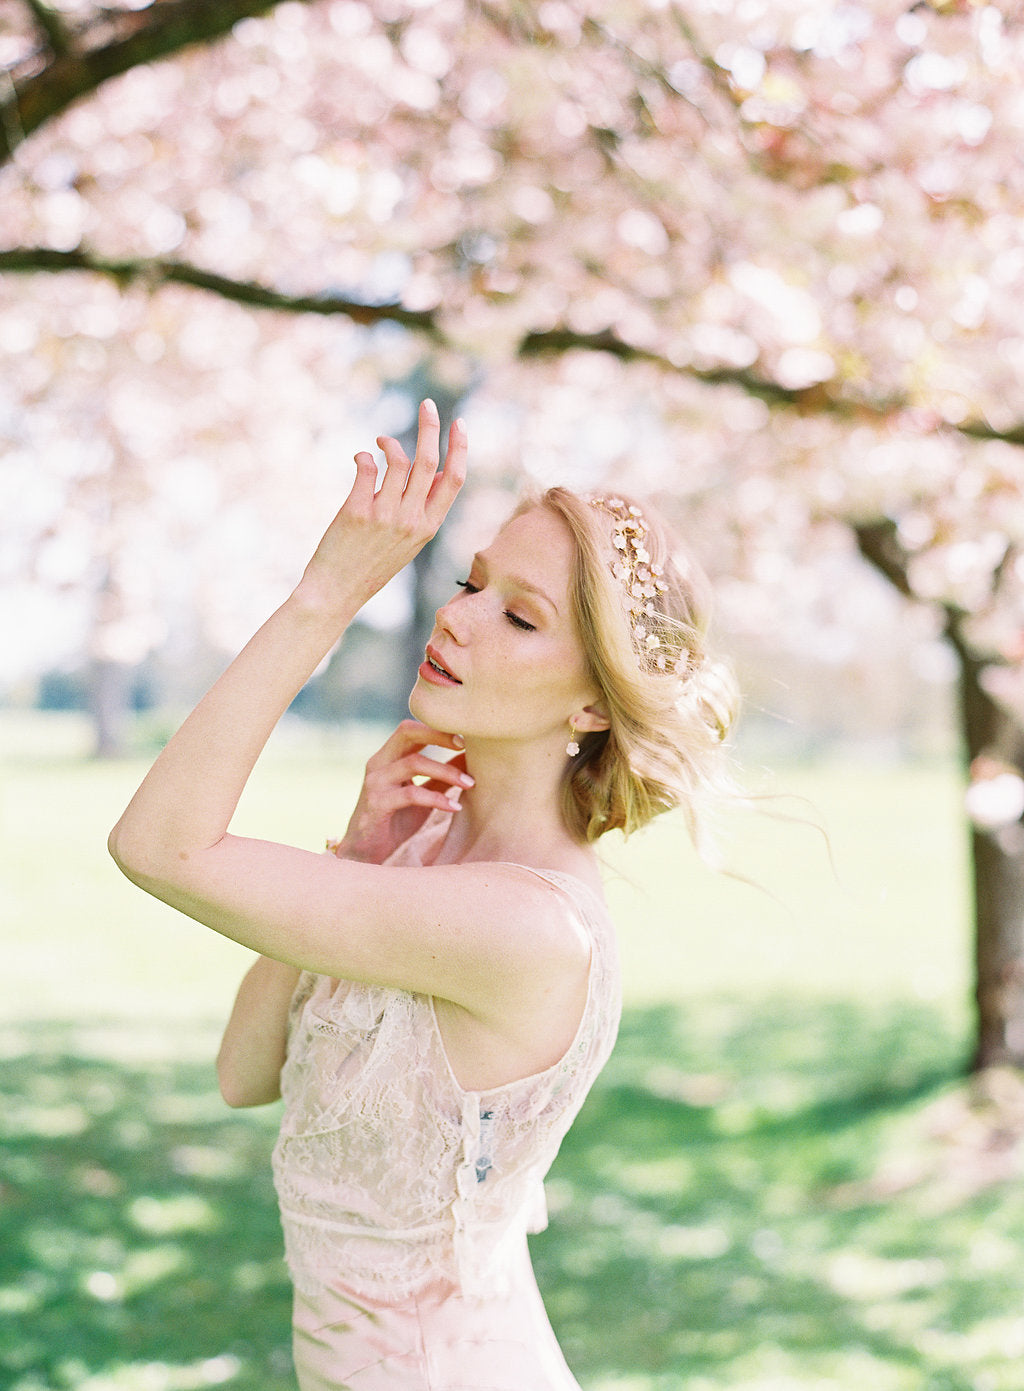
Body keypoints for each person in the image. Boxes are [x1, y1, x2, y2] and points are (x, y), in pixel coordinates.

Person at [108, 399, 736, 1391]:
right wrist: (357, 849)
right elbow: (244, 1071)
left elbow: (157, 846)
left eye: (519, 615)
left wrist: (324, 594)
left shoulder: (525, 924)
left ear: (589, 703)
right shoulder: (423, 848)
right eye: (469, 582)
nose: (456, 615)